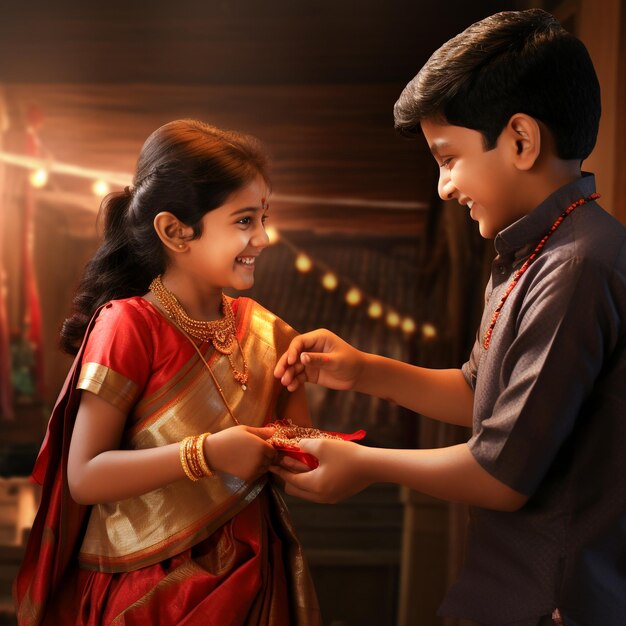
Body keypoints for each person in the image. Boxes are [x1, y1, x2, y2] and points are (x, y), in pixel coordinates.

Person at [271, 9, 626, 626]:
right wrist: (362, 370)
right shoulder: (536, 249)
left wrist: (367, 465)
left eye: (448, 158)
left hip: (549, 600)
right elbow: (481, 393)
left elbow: (500, 474)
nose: (443, 187)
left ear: (520, 140)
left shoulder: (580, 264)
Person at [14, 119, 321, 625]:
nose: (264, 237)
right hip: (144, 590)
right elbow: (84, 476)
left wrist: (308, 437)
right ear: (175, 231)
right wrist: (209, 452)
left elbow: (304, 464)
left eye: (264, 216)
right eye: (245, 220)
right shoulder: (129, 325)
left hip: (252, 577)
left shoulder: (273, 336)